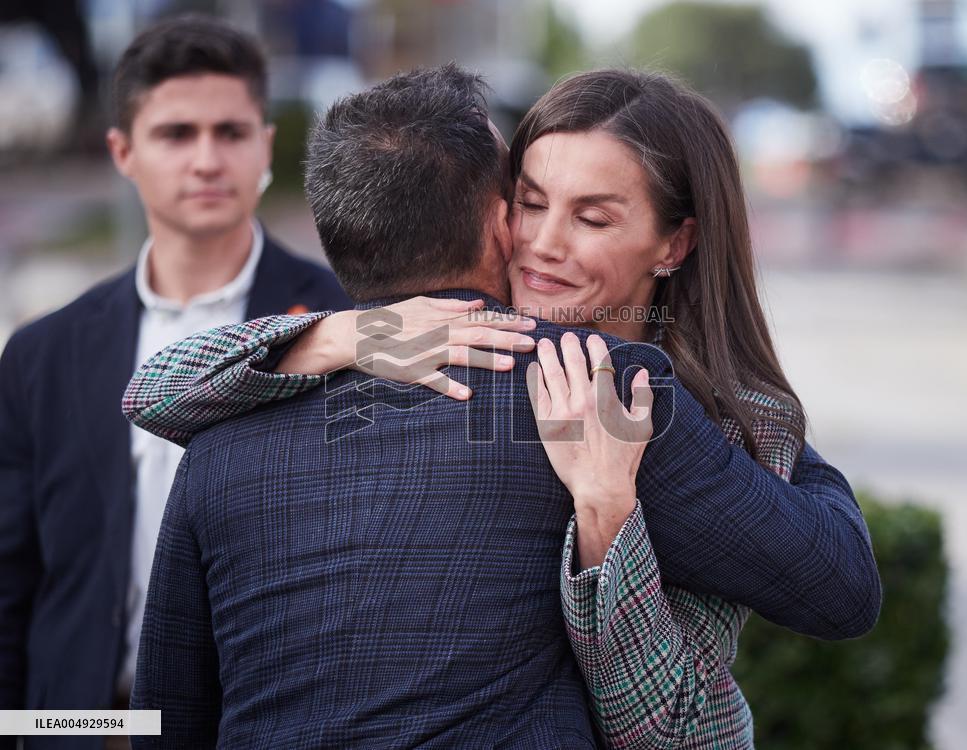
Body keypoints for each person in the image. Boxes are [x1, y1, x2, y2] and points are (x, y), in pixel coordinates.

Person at [128, 66, 880, 748]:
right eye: (531, 204)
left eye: (592, 218)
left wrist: (612, 505)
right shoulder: (330, 367)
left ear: (674, 244)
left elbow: (165, 720)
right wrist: (344, 333)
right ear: (496, 217)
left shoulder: (224, 439)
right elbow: (149, 392)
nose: (543, 244)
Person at [0, 15, 350, 750]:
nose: (207, 159)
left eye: (231, 132)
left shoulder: (343, 319)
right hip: (83, 727)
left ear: (266, 145)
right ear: (123, 152)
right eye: (176, 134)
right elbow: (10, 586)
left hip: (263, 727)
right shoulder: (42, 355)